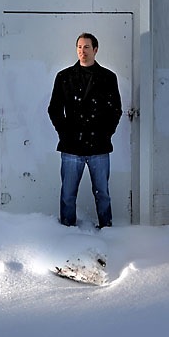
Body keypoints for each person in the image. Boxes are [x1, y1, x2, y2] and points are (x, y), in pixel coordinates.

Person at [48, 33, 123, 228]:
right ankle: (66, 229)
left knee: (102, 192)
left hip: (99, 145)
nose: (82, 51)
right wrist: (64, 133)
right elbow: (54, 109)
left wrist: (106, 133)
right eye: (79, 47)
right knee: (68, 193)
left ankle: (107, 230)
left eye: (87, 47)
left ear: (96, 50)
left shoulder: (108, 77)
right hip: (71, 146)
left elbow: (115, 110)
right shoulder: (64, 77)